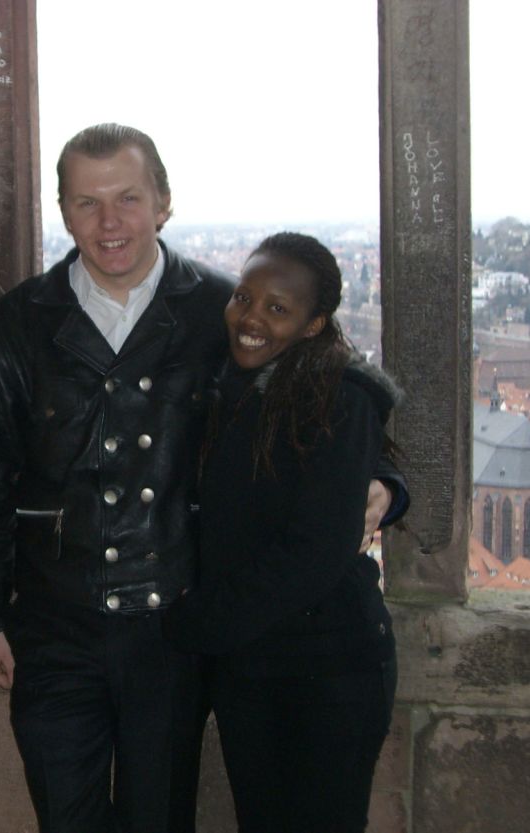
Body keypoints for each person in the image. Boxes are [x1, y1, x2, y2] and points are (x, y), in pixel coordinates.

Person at [0, 124, 406, 833]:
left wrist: (382, 477)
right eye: (86, 202)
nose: (109, 223)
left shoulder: (224, 309)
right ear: (63, 212)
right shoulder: (20, 322)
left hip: (171, 626)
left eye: (128, 198)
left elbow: (323, 396)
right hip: (53, 622)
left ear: (163, 202)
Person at [163, 232, 401, 833]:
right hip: (249, 663)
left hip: (328, 666)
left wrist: (194, 623)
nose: (251, 318)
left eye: (278, 309)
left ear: (314, 324)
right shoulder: (222, 379)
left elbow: (315, 553)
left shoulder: (338, 397)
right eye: (244, 297)